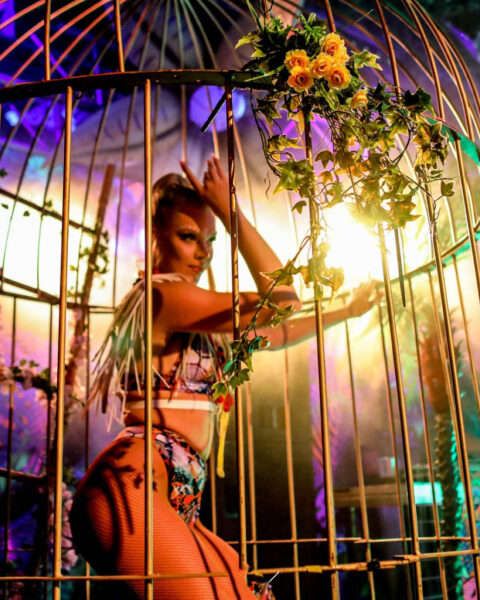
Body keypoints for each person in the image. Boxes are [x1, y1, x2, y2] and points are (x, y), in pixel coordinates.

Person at [69, 156, 377, 599]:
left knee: (246, 592)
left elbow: (275, 330)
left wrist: (343, 312)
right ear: (155, 233)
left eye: (210, 240)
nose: (203, 252)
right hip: (132, 484)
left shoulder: (192, 310)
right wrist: (230, 212)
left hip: (174, 494)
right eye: (188, 236)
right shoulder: (163, 294)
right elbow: (283, 300)